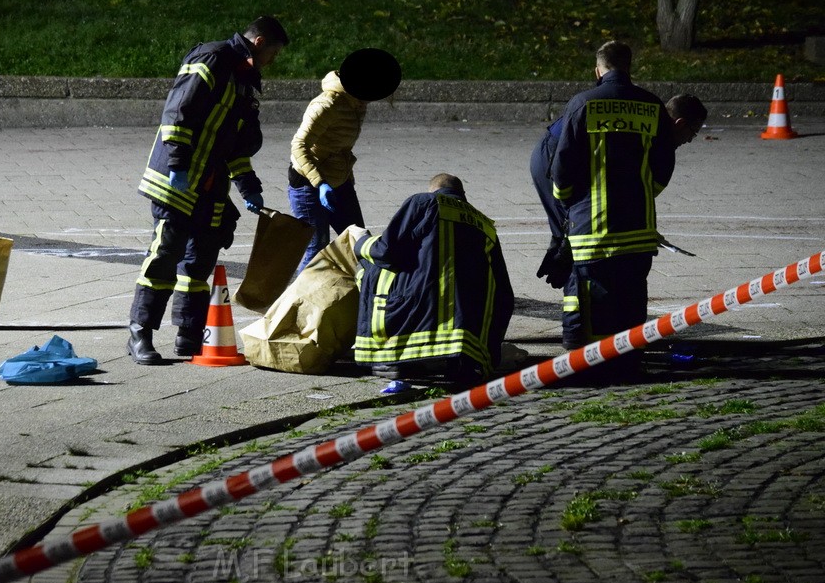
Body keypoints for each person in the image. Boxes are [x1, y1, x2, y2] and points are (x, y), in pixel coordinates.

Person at [127, 15, 289, 365]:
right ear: (260, 43)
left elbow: (235, 145)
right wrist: (178, 165)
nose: (272, 63)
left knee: (199, 264)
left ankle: (189, 336)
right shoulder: (213, 59)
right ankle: (140, 333)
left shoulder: (246, 79)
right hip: (177, 180)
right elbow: (177, 114)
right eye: (273, 54)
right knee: (165, 255)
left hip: (210, 187)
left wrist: (248, 187)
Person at [548, 41, 707, 360]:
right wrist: (643, 195)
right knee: (631, 303)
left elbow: (562, 168)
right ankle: (630, 361)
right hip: (637, 232)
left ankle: (586, 362)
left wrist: (568, 203)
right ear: (629, 67)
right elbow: (664, 165)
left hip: (593, 230)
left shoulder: (582, 104)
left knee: (588, 304)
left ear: (598, 70)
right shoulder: (651, 106)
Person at [531, 92, 709, 290]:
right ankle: (578, 299)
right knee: (575, 235)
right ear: (680, 123)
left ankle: (580, 290)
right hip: (553, 154)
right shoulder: (655, 132)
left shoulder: (647, 121)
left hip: (564, 149)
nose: (690, 141)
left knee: (575, 233)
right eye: (693, 133)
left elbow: (620, 187)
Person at [352, 173, 515, 385]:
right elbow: (504, 293)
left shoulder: (425, 202)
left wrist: (360, 242)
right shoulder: (485, 225)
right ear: (462, 196)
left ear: (433, 189)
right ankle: (457, 362)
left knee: (370, 270)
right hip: (466, 329)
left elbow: (386, 251)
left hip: (417, 306)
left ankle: (390, 357)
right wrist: (489, 350)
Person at [288, 48, 402, 272]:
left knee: (358, 240)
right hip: (308, 183)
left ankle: (364, 296)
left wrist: (346, 178)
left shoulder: (356, 103)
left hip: (339, 181)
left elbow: (340, 147)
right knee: (316, 246)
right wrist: (320, 183)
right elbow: (298, 145)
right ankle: (298, 302)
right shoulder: (327, 105)